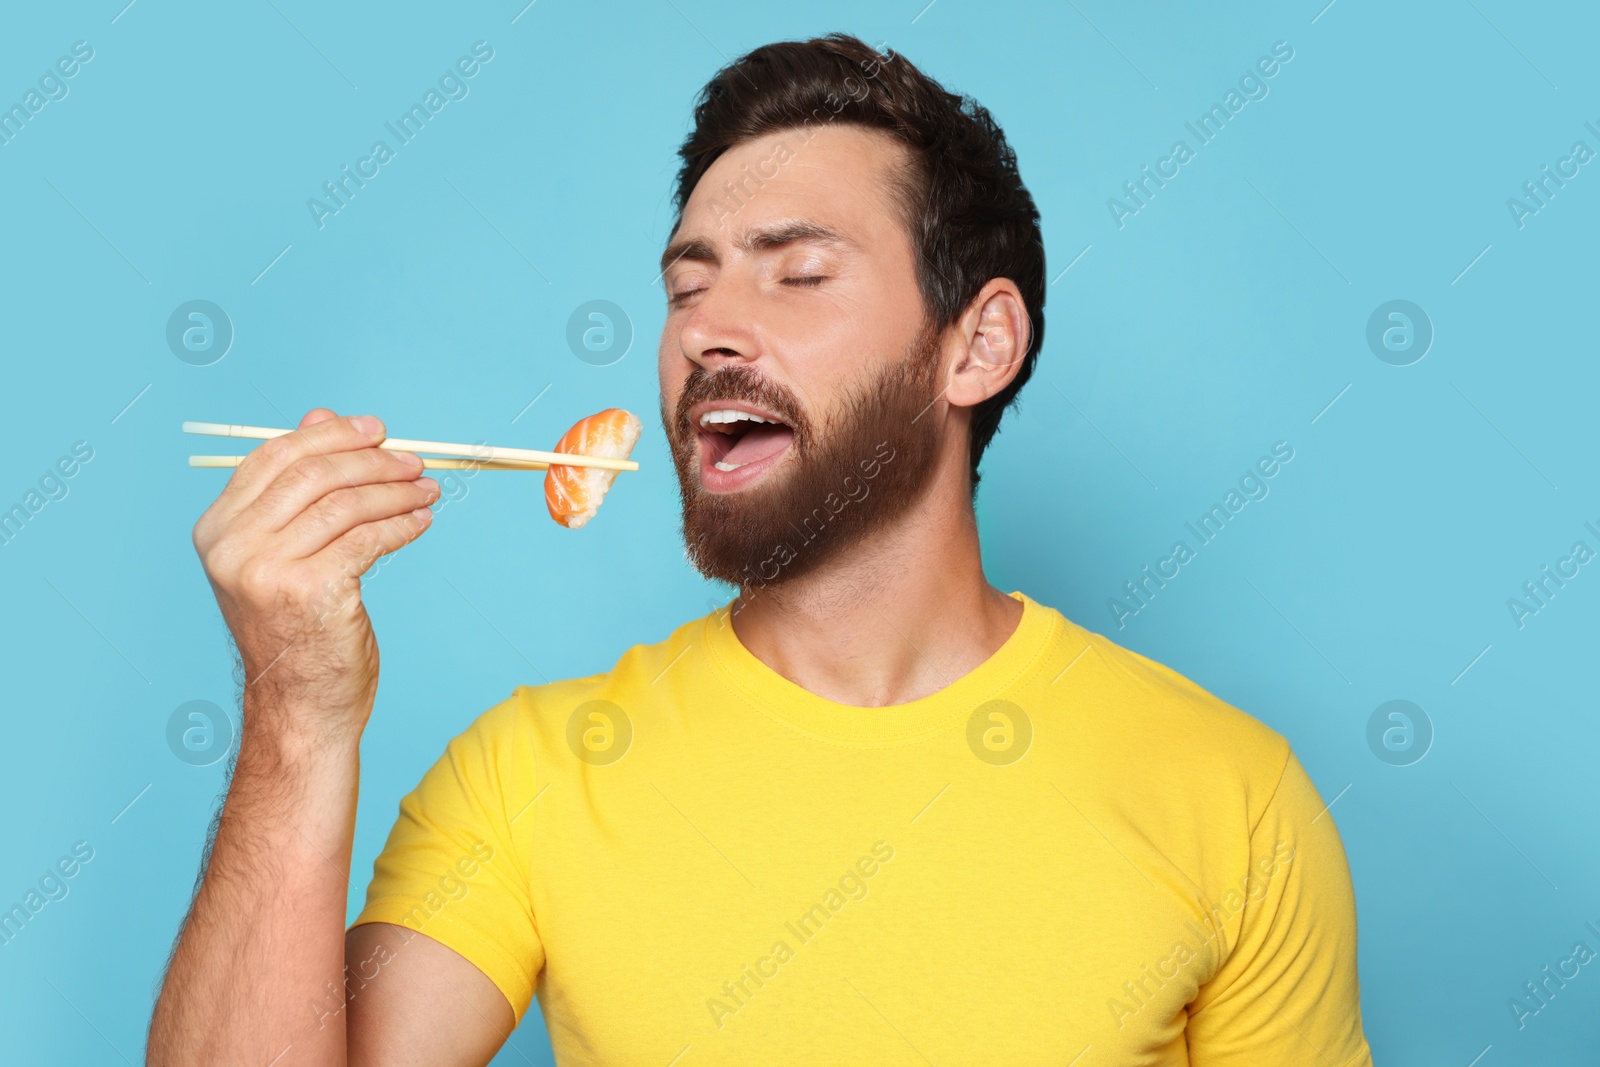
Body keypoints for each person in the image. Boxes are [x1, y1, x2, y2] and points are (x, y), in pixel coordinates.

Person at [148, 32, 1373, 1066]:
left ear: (977, 345)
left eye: (796, 274)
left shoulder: (1232, 795)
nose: (710, 333)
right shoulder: (533, 773)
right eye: (689, 289)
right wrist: (296, 712)